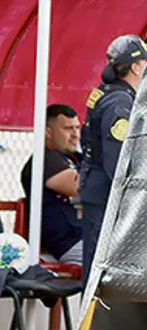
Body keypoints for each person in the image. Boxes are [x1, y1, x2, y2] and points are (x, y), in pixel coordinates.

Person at [79, 35, 147, 284]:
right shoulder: (120, 101)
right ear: (135, 67)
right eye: (145, 62)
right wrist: (131, 195)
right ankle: (92, 321)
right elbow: (117, 158)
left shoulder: (107, 93)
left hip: (96, 187)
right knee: (100, 266)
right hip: (105, 194)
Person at [19, 104, 83, 265]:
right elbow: (81, 188)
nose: (75, 134)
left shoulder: (75, 158)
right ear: (48, 132)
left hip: (89, 236)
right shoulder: (43, 159)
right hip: (69, 244)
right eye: (68, 128)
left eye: (77, 127)